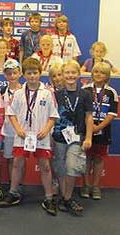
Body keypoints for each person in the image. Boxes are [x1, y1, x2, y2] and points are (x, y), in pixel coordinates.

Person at [0, 58, 59, 216]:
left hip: (41, 136)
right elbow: (10, 113)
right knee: (17, 163)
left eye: (35, 73)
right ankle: (13, 193)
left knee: (45, 166)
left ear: (40, 73)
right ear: (24, 75)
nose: (32, 76)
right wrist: (18, 129)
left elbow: (53, 116)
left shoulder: (48, 93)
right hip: (22, 135)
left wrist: (46, 130)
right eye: (29, 73)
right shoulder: (18, 93)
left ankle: (48, 197)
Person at [51, 60, 93, 216]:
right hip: (58, 137)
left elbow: (89, 117)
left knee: (71, 167)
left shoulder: (85, 94)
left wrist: (88, 137)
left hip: (77, 137)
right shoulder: (56, 94)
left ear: (78, 74)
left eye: (73, 72)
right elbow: (52, 117)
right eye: (67, 73)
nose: (70, 75)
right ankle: (64, 197)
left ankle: (68, 198)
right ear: (62, 75)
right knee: (60, 168)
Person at [81, 62, 118, 200]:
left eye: (102, 73)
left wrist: (99, 127)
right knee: (86, 158)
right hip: (86, 130)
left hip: (103, 130)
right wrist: (90, 127)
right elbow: (82, 111)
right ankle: (86, 185)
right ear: (92, 73)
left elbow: (112, 114)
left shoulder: (111, 92)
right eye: (96, 72)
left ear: (107, 76)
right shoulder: (85, 89)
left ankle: (95, 187)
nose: (98, 75)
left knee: (98, 159)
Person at [0, 59, 23, 196]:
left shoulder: (25, 89)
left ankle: (19, 185)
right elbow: (2, 112)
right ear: (5, 75)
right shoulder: (2, 91)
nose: (12, 76)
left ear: (20, 73)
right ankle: (11, 184)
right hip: (8, 130)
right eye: (9, 73)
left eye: (15, 72)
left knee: (20, 159)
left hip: (21, 130)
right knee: (9, 158)